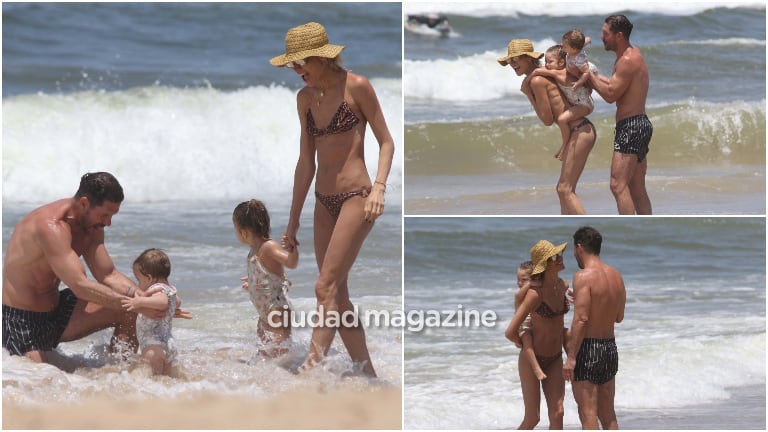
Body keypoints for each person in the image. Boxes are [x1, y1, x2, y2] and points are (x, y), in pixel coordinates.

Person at [271, 22, 394, 377]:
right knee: (337, 296)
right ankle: (368, 374)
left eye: (300, 64)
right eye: (292, 66)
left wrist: (380, 188)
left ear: (320, 57)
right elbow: (305, 162)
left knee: (324, 285)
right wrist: (293, 220)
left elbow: (387, 141)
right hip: (322, 203)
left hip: (358, 198)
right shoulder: (305, 99)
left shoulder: (356, 86)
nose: (297, 72)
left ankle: (311, 370)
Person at [2, 172, 173, 363]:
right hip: (22, 322)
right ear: (84, 203)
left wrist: (148, 298)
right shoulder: (50, 227)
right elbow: (80, 285)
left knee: (130, 311)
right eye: (105, 215)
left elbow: (108, 274)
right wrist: (136, 304)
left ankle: (121, 373)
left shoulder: (91, 226)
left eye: (112, 216)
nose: (108, 223)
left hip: (57, 311)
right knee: (41, 381)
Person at [498, 39, 596, 215]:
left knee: (564, 190)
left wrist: (529, 94)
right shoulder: (544, 74)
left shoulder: (536, 81)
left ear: (528, 59)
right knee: (564, 190)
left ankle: (585, 228)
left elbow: (547, 119)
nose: (512, 64)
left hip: (579, 130)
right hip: (580, 129)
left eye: (516, 59)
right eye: (510, 61)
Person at [587, 14, 653, 215]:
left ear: (619, 36)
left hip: (631, 127)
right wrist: (594, 76)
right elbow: (615, 85)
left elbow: (610, 95)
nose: (601, 37)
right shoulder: (631, 54)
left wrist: (589, 77)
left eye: (605, 33)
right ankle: (643, 228)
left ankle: (630, 227)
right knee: (636, 188)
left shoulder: (627, 60)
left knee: (617, 185)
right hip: (640, 124)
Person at [563, 227, 626, 429]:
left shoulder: (583, 276)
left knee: (587, 414)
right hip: (610, 348)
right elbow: (619, 317)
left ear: (579, 247)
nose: (574, 254)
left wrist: (571, 358)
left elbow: (581, 319)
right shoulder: (616, 276)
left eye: (574, 250)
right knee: (608, 414)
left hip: (588, 349)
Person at [505, 240, 570, 429]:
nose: (560, 258)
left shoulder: (562, 284)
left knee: (558, 413)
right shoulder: (535, 294)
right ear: (544, 265)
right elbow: (510, 332)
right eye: (554, 257)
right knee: (533, 418)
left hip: (556, 358)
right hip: (532, 360)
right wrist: (524, 343)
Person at [233, 199, 298, 357]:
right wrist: (255, 284)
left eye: (235, 228)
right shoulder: (254, 250)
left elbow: (291, 262)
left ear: (245, 232)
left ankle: (290, 377)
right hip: (264, 313)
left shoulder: (268, 247)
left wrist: (292, 248)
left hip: (276, 310)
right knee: (264, 354)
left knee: (280, 354)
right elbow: (268, 274)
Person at [531, 31, 597, 161]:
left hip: (584, 105)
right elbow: (576, 47)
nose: (546, 65)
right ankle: (565, 145)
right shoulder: (567, 60)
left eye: (550, 61)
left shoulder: (559, 73)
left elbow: (538, 71)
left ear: (561, 63)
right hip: (580, 101)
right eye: (545, 61)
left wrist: (527, 84)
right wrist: (586, 41)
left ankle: (565, 146)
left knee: (562, 119)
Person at [121, 248, 181, 376]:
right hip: (169, 345)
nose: (138, 284)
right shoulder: (170, 289)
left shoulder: (156, 289)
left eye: (139, 280)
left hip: (153, 346)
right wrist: (173, 310)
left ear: (149, 277)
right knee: (166, 382)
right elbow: (177, 302)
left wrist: (139, 302)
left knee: (152, 383)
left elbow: (162, 302)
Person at [510, 260, 547, 381]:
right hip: (524, 326)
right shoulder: (521, 294)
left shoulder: (535, 293)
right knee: (527, 338)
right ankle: (536, 368)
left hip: (536, 327)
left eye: (524, 280)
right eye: (518, 280)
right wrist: (529, 283)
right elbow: (517, 297)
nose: (520, 283)